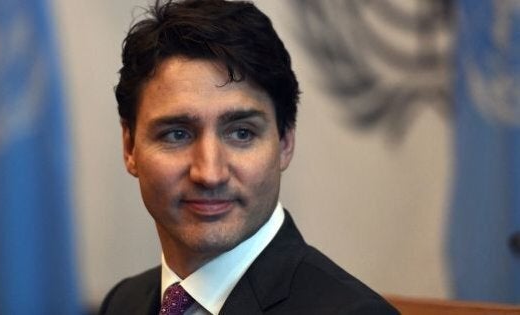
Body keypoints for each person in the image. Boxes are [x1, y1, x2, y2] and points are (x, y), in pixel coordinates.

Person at [100, 0, 399, 314]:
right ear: (130, 147)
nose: (209, 173)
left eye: (241, 133)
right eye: (177, 134)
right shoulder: (123, 302)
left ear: (285, 142)